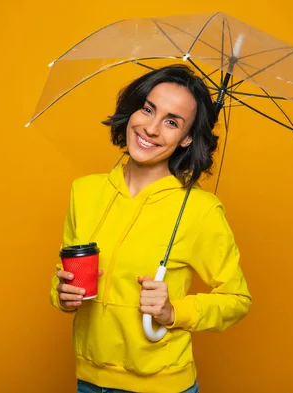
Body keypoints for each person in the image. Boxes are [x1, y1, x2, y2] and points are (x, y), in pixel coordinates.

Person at [50, 64, 252, 393]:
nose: (151, 128)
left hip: (162, 386)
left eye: (172, 122)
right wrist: (60, 294)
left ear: (187, 138)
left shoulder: (200, 210)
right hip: (88, 381)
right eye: (148, 109)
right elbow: (65, 273)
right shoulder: (84, 192)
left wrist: (175, 311)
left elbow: (237, 299)